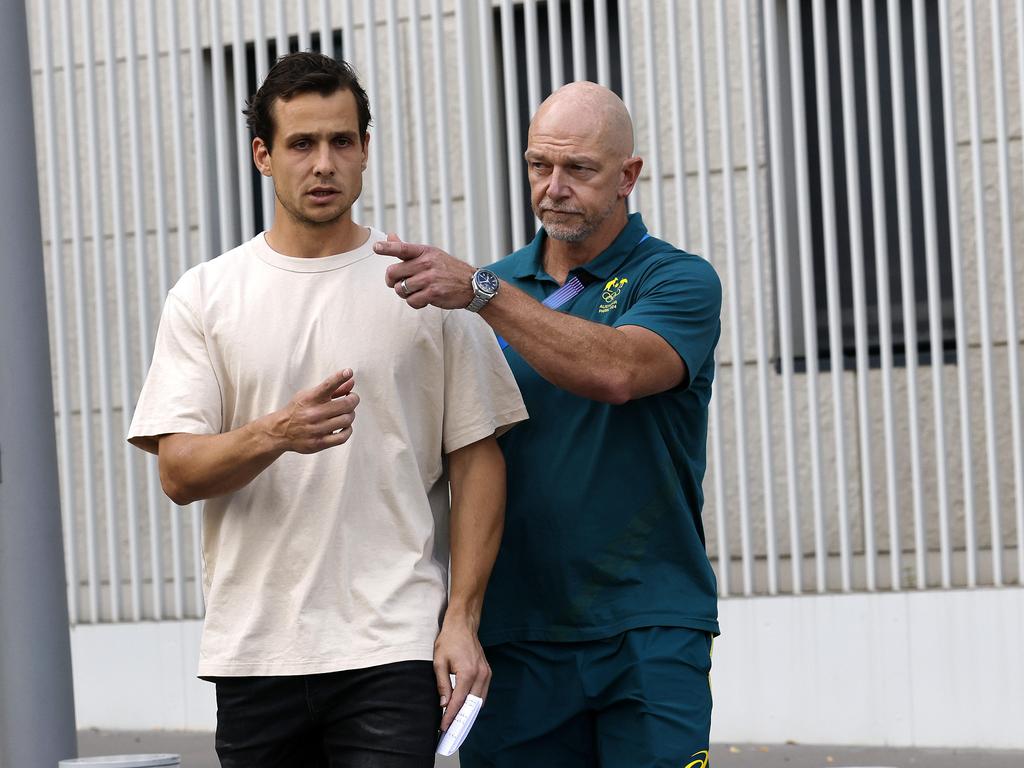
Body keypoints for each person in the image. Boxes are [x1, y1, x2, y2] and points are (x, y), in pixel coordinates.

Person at [127, 52, 527, 768]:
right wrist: (276, 432)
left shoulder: (425, 284)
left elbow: (478, 461)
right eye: (301, 144)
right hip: (255, 650)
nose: (324, 163)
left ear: (366, 150)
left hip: (391, 645)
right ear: (262, 154)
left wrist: (461, 621)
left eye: (342, 141)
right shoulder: (207, 295)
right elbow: (179, 473)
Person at [374, 81, 722, 768]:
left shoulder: (676, 280)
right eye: (539, 166)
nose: (553, 186)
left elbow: (619, 371)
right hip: (514, 637)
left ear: (628, 176)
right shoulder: (488, 288)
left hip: (648, 625)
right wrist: (457, 618)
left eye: (578, 170)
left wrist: (482, 295)